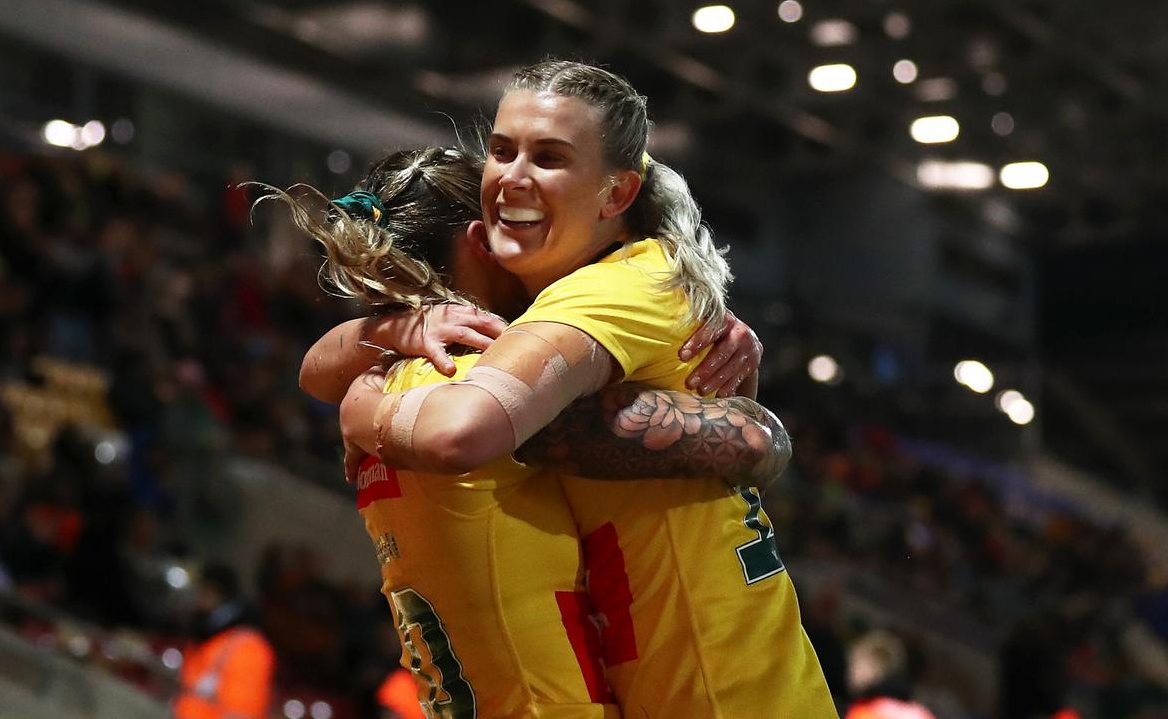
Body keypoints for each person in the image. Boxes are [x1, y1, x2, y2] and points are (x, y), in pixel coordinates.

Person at [339, 60, 835, 717]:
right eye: (502, 151)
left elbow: (461, 428)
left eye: (547, 158)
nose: (513, 178)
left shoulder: (604, 295)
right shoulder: (470, 358)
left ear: (617, 194)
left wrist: (360, 402)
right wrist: (756, 434)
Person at [264, 144, 788, 718]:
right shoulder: (487, 399)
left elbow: (315, 371)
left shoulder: (388, 377)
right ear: (483, 242)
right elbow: (752, 441)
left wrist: (365, 395)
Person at [174, 563, 275, 719]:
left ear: (211, 591)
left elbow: (243, 712)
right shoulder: (208, 632)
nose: (196, 598)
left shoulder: (248, 647)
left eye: (201, 590)